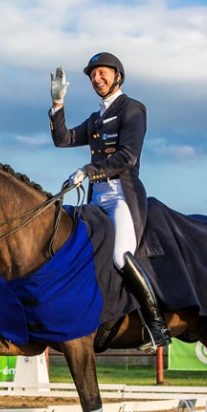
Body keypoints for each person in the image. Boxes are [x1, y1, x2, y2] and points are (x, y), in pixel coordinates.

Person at [48, 52, 171, 352]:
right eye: (92, 75)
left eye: (102, 73)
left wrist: (87, 170)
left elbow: (128, 157)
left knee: (119, 256)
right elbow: (62, 139)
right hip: (96, 199)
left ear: (117, 75)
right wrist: (57, 104)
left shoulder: (133, 109)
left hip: (121, 197)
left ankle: (156, 325)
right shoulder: (96, 119)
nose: (96, 79)